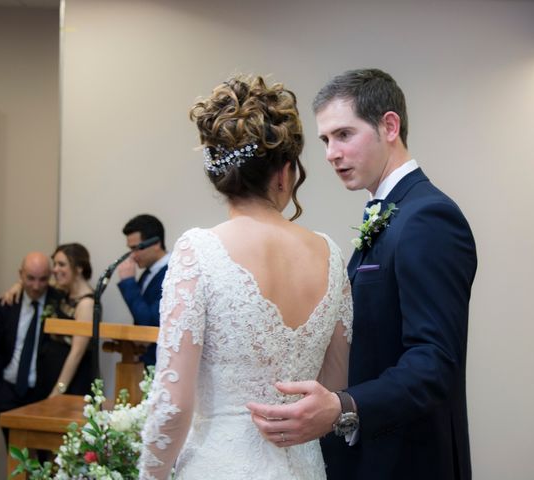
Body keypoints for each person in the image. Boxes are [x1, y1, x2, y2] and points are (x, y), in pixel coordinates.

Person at [247, 68, 478, 480]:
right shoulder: (392, 213)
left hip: (409, 460)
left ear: (389, 126)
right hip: (375, 456)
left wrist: (343, 406)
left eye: (343, 135)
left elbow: (434, 362)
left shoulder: (429, 217)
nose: (331, 153)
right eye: (325, 140)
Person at [137, 74, 353, 480]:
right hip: (304, 468)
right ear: (284, 173)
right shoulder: (331, 256)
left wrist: (150, 475)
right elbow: (334, 385)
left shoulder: (197, 253)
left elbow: (173, 407)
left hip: (219, 465)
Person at [0, 252, 64, 445]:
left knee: (46, 462)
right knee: (16, 459)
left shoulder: (60, 303)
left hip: (43, 396)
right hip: (8, 392)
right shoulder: (7, 304)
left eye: (43, 279)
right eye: (30, 278)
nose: (36, 286)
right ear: (20, 274)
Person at [42, 243, 95, 396]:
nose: (55, 269)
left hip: (72, 382)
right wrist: (17, 286)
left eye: (61, 264)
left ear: (79, 268)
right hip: (53, 372)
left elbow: (77, 352)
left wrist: (58, 390)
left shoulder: (86, 304)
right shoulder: (63, 291)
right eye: (55, 264)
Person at [117, 214, 169, 366]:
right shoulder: (148, 272)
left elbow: (150, 322)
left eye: (136, 248)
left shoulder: (171, 273)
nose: (132, 256)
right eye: (130, 249)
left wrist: (128, 283)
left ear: (156, 243)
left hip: (160, 361)